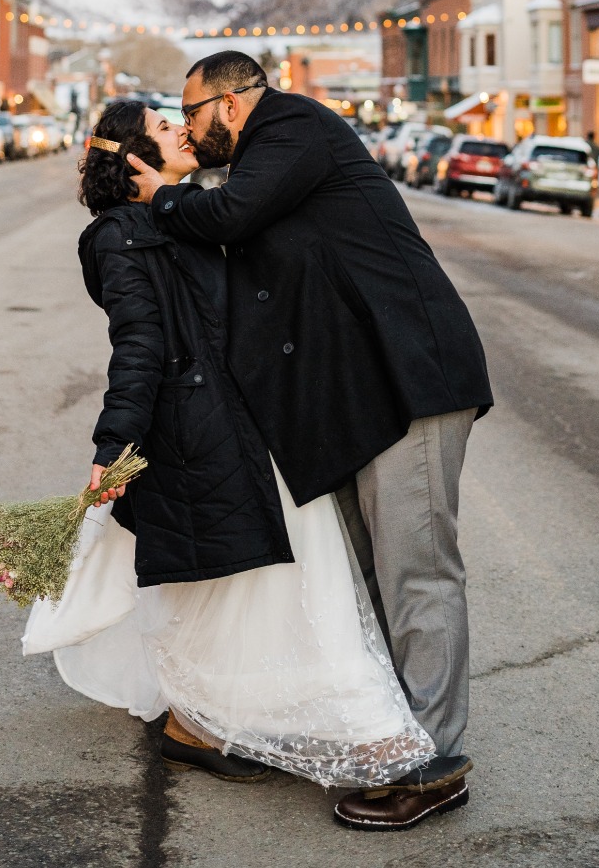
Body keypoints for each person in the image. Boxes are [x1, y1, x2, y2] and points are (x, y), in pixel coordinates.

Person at [129, 51, 492, 833]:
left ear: (230, 103)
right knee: (373, 576)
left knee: (417, 573)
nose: (188, 128)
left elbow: (227, 220)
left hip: (411, 378)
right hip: (357, 398)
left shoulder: (291, 126)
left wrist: (162, 197)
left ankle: (433, 765)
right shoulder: (267, 158)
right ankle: (394, 739)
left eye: (189, 113)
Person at [42, 98, 435, 792]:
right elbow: (139, 347)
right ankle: (287, 723)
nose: (184, 131)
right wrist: (115, 446)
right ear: (134, 156)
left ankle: (211, 720)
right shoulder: (117, 236)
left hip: (251, 423)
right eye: (167, 128)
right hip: (200, 432)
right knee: (261, 578)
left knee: (268, 577)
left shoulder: (185, 212)